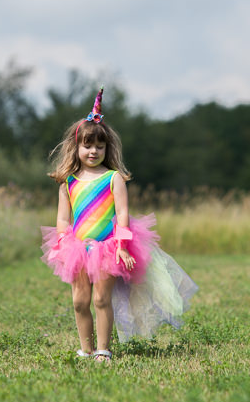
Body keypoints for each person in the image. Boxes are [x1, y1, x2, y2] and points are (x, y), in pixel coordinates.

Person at [41, 87, 198, 362]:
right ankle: (85, 349)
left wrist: (122, 247)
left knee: (102, 299)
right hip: (77, 248)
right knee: (79, 301)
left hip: (107, 247)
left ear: (107, 148)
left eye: (99, 146)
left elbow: (123, 213)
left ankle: (103, 349)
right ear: (76, 147)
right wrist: (63, 244)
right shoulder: (69, 182)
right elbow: (63, 218)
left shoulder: (113, 178)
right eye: (87, 145)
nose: (93, 151)